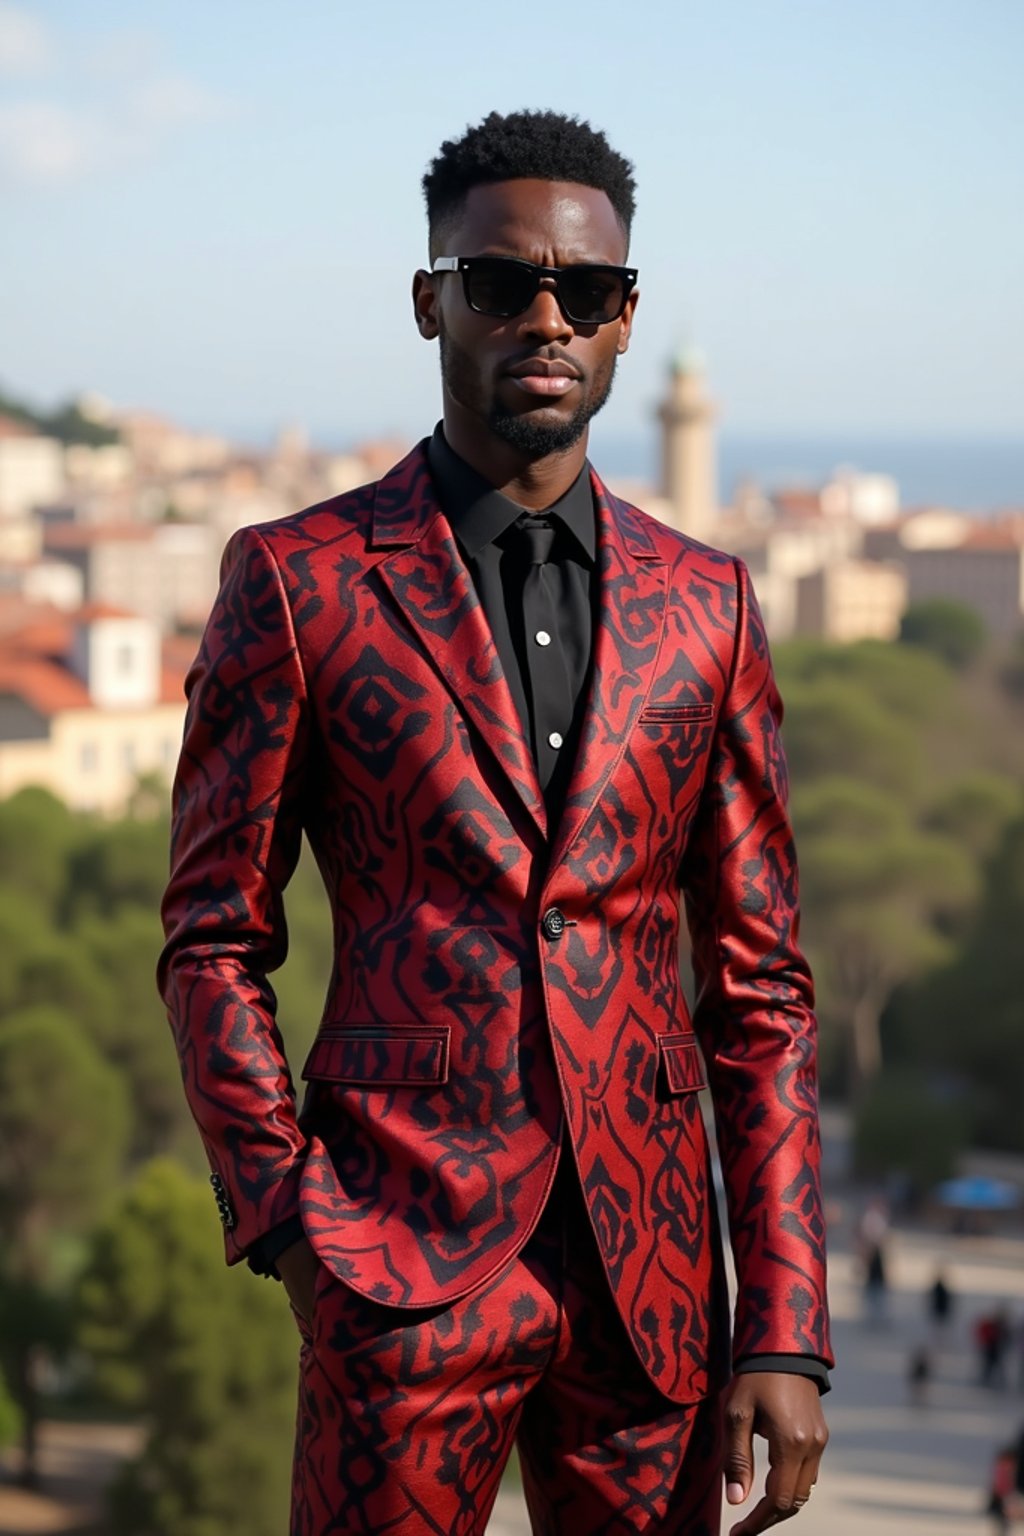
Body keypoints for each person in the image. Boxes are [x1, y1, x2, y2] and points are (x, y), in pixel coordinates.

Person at [158, 109, 832, 1536]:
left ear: (626, 318)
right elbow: (212, 938)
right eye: (499, 282)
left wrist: (781, 1320)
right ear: (429, 301)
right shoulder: (301, 583)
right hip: (387, 1261)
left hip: (651, 1289)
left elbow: (761, 989)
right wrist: (286, 1219)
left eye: (585, 292)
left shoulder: (705, 604)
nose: (545, 317)